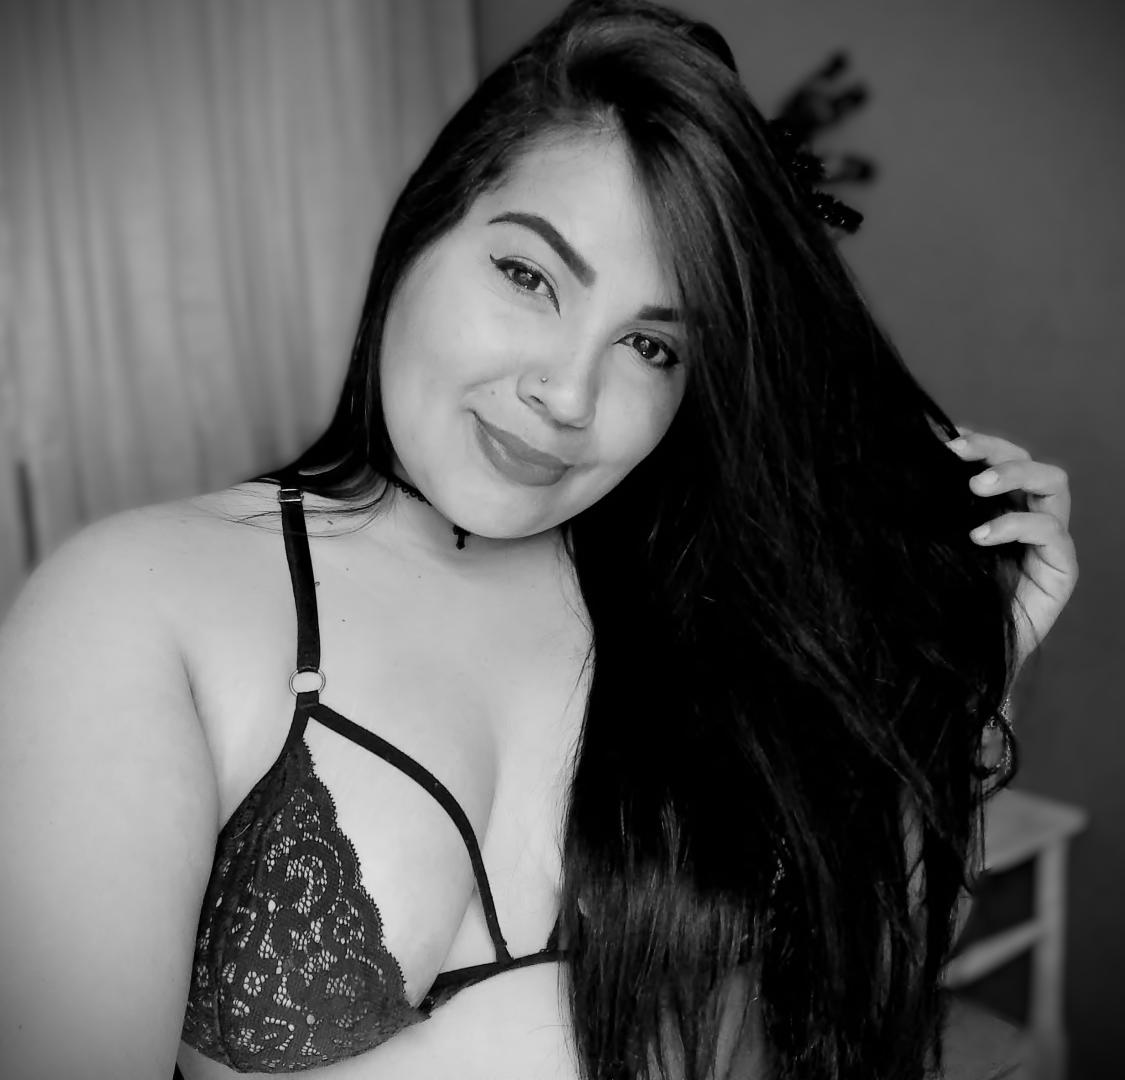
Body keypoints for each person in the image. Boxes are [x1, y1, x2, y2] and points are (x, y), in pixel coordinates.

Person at [0, 2, 1077, 1078]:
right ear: (424, 228)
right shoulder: (138, 605)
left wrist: (976, 677)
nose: (567, 394)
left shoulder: (707, 613)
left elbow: (852, 1009)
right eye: (528, 277)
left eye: (650, 345)